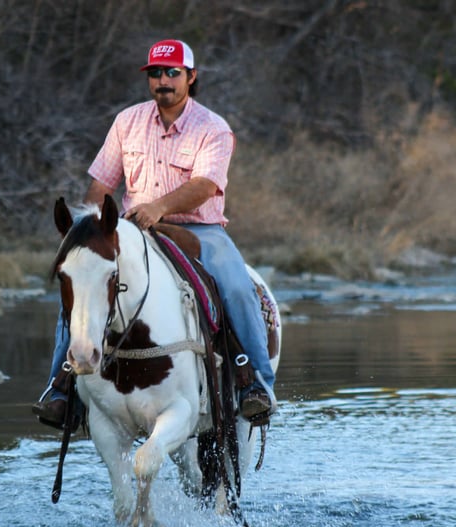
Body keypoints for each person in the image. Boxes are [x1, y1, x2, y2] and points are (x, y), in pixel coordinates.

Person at [32, 39, 276, 427]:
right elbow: (101, 184)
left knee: (236, 287)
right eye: (156, 73)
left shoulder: (212, 128)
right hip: (132, 228)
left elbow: (205, 186)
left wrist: (159, 207)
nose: (163, 80)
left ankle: (256, 384)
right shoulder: (127, 122)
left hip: (200, 229)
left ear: (191, 76)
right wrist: (89, 232)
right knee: (80, 283)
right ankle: (61, 388)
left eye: (172, 73)